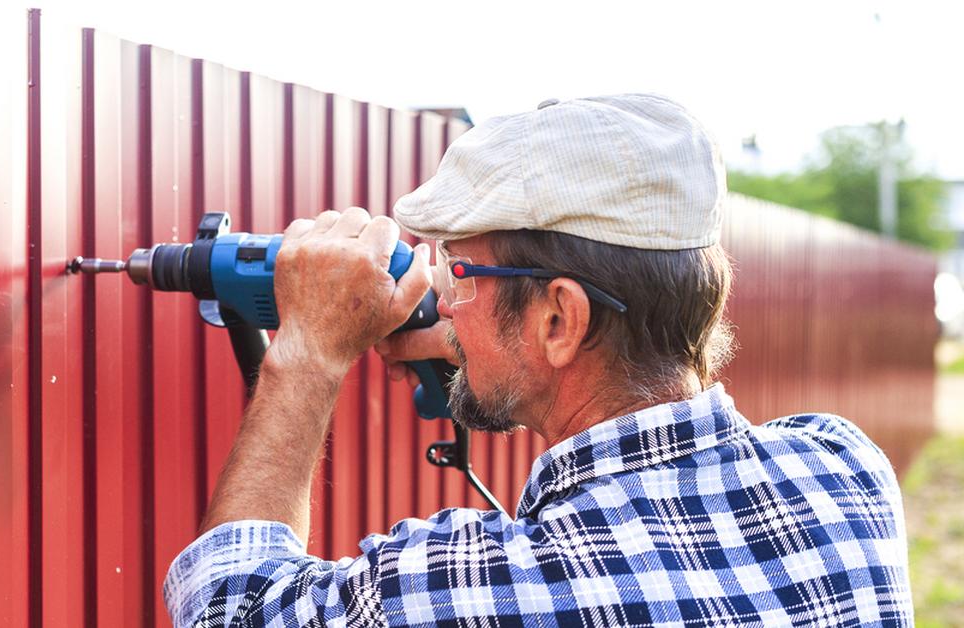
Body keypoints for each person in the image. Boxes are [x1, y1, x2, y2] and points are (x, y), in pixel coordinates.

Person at [163, 94, 912, 626]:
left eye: (460, 272)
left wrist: (310, 352)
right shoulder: (843, 472)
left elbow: (229, 608)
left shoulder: (478, 589)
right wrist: (496, 339)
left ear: (560, 318)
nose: (445, 297)